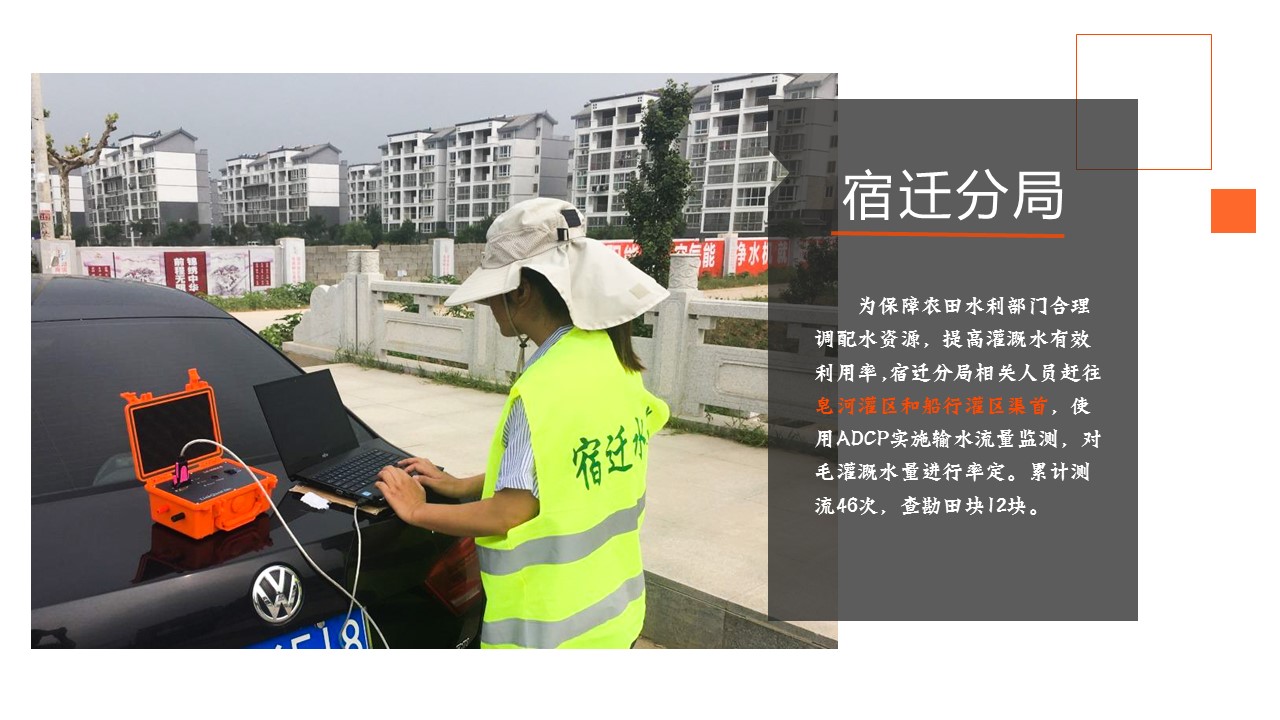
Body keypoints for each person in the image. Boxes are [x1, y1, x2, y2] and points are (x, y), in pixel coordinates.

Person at [375, 198, 671, 649]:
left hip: (549, 633)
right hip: (616, 618)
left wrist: (417, 510)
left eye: (493, 290)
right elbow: (560, 471)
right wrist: (461, 485)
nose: (487, 302)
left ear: (521, 292)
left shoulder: (542, 389)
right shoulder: (616, 362)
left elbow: (508, 514)